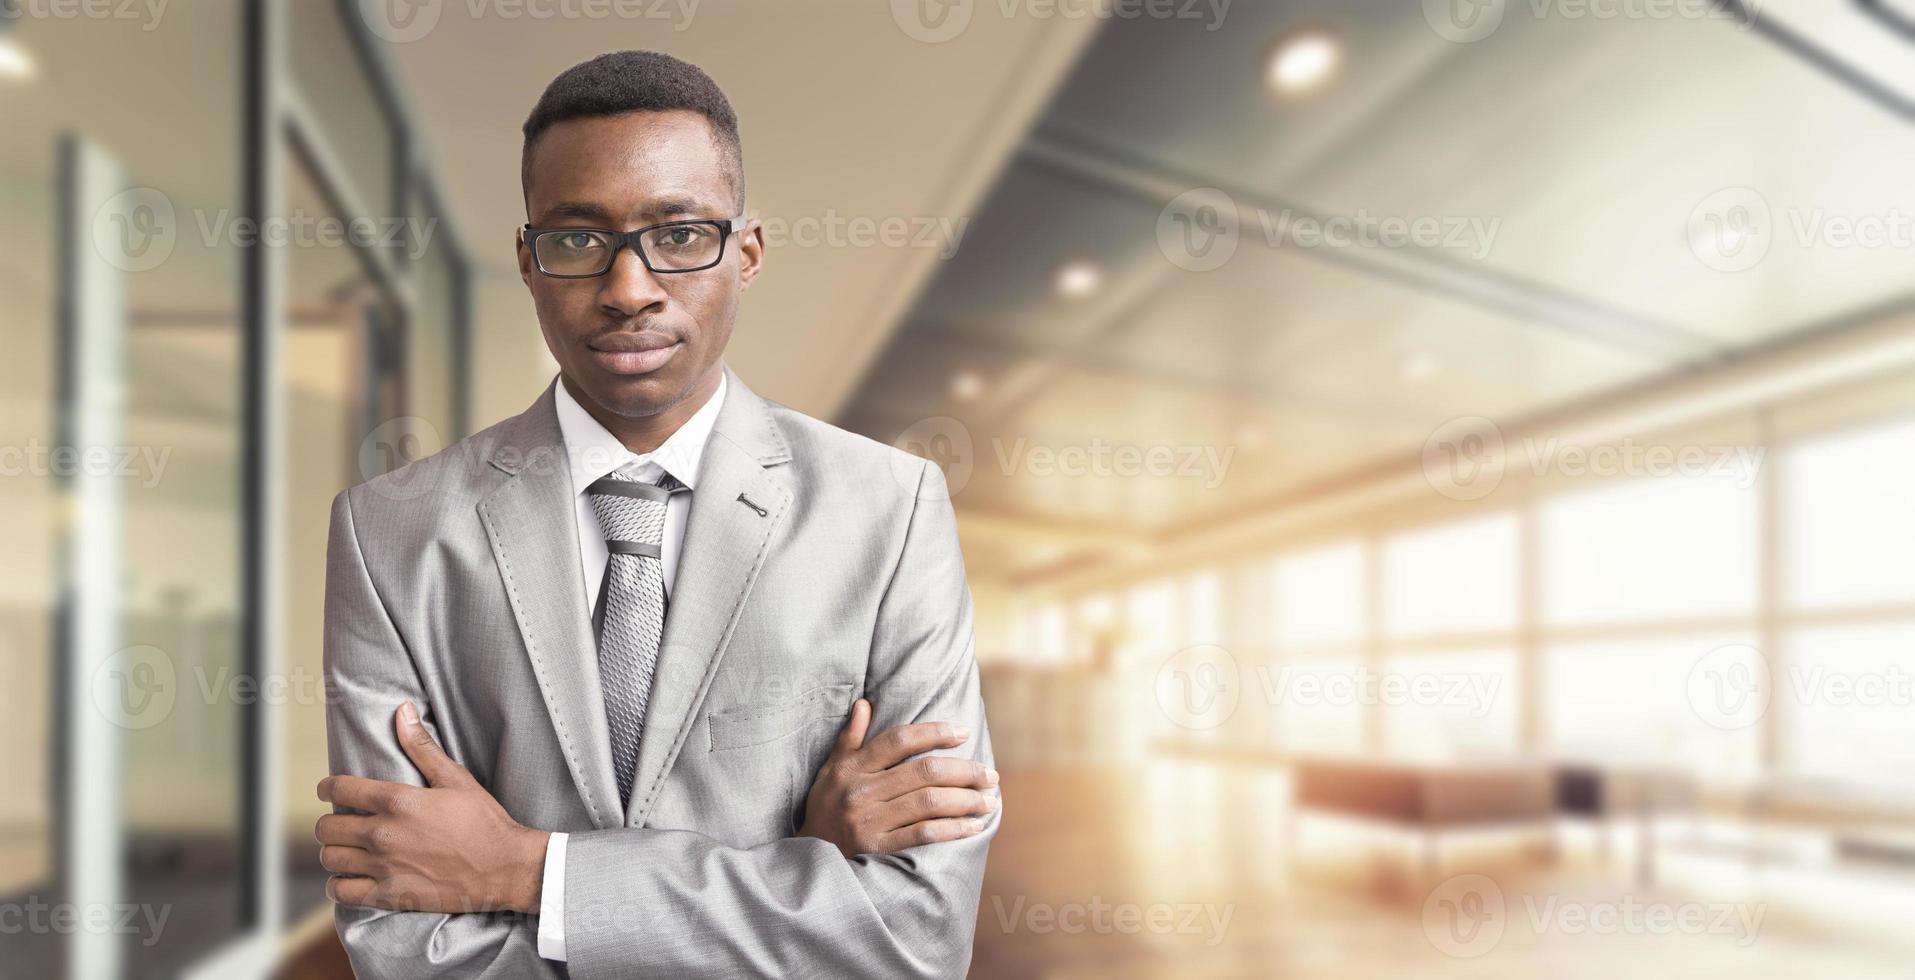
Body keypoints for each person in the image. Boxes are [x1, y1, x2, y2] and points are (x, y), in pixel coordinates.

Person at [315, 50, 998, 979]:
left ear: (746, 252)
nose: (629, 287)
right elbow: (403, 947)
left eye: (678, 235)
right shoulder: (387, 531)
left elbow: (916, 936)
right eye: (576, 239)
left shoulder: (890, 511)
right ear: (527, 260)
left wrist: (526, 872)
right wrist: (801, 866)